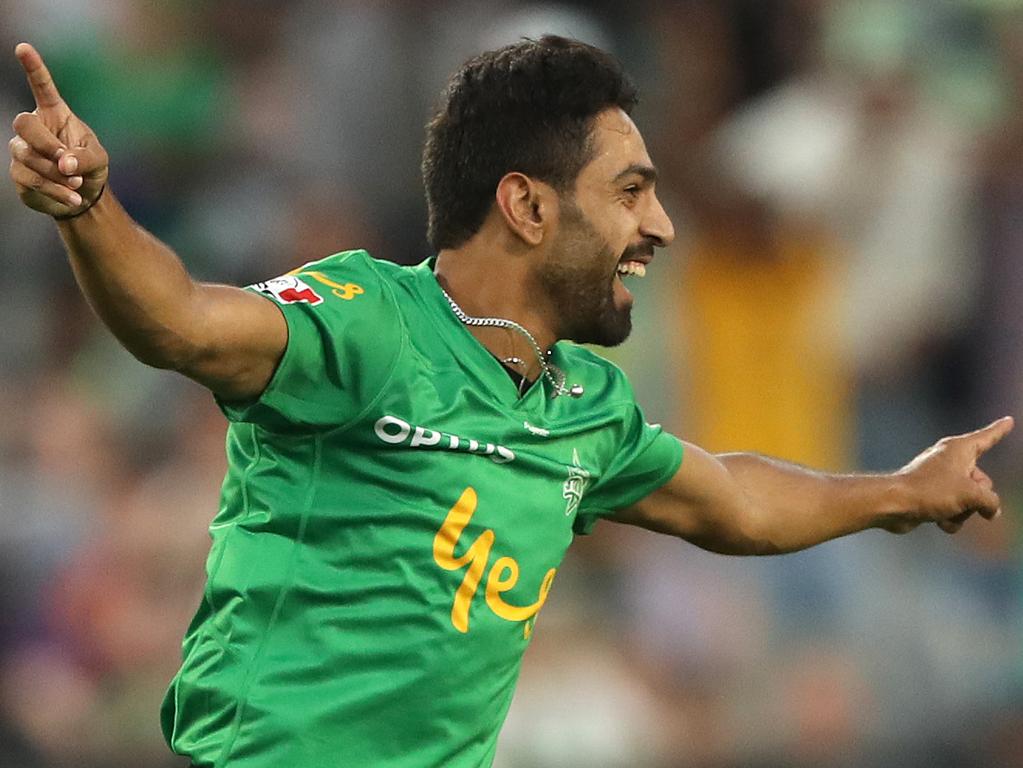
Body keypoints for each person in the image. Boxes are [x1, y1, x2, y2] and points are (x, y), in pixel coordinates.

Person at [7, 35, 1012, 768]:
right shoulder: (369, 320)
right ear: (527, 205)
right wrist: (90, 206)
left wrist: (904, 492)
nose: (660, 222)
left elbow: (736, 503)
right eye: (630, 191)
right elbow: (177, 321)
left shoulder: (586, 407)